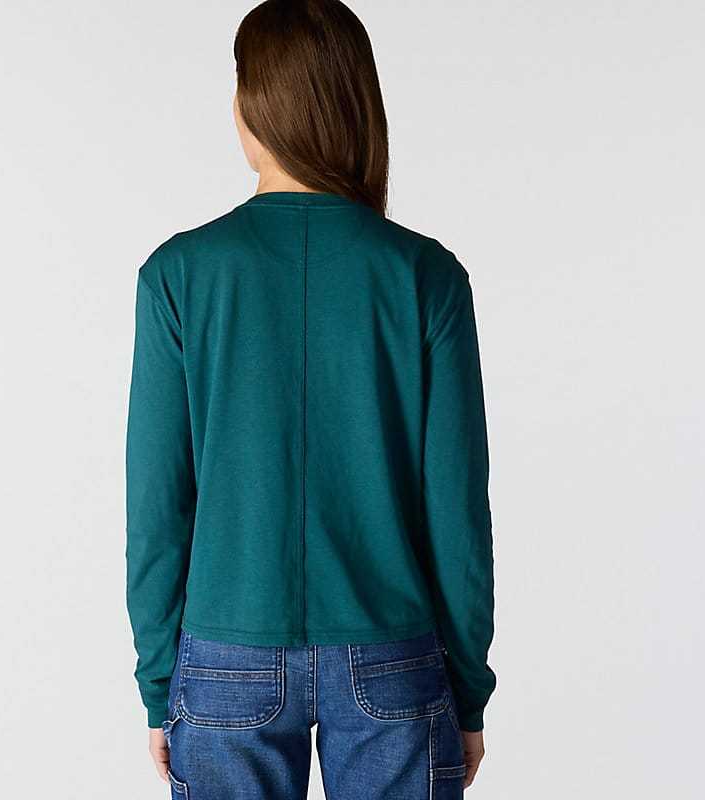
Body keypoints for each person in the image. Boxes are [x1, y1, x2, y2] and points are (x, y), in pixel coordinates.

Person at [125, 1, 496, 797]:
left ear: (252, 104)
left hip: (224, 656)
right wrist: (467, 690)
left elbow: (157, 509)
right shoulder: (424, 276)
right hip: (395, 654)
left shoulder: (179, 275)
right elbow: (458, 515)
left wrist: (160, 683)